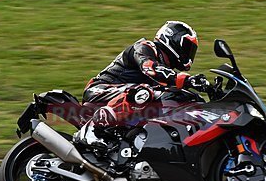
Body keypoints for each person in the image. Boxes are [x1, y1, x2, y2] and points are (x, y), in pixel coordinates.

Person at [75, 20, 210, 149]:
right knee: (143, 91)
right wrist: (186, 80)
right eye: (186, 47)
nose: (189, 53)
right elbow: (149, 67)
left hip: (124, 98)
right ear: (171, 39)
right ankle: (92, 130)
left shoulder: (165, 70)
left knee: (174, 98)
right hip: (99, 90)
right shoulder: (145, 47)